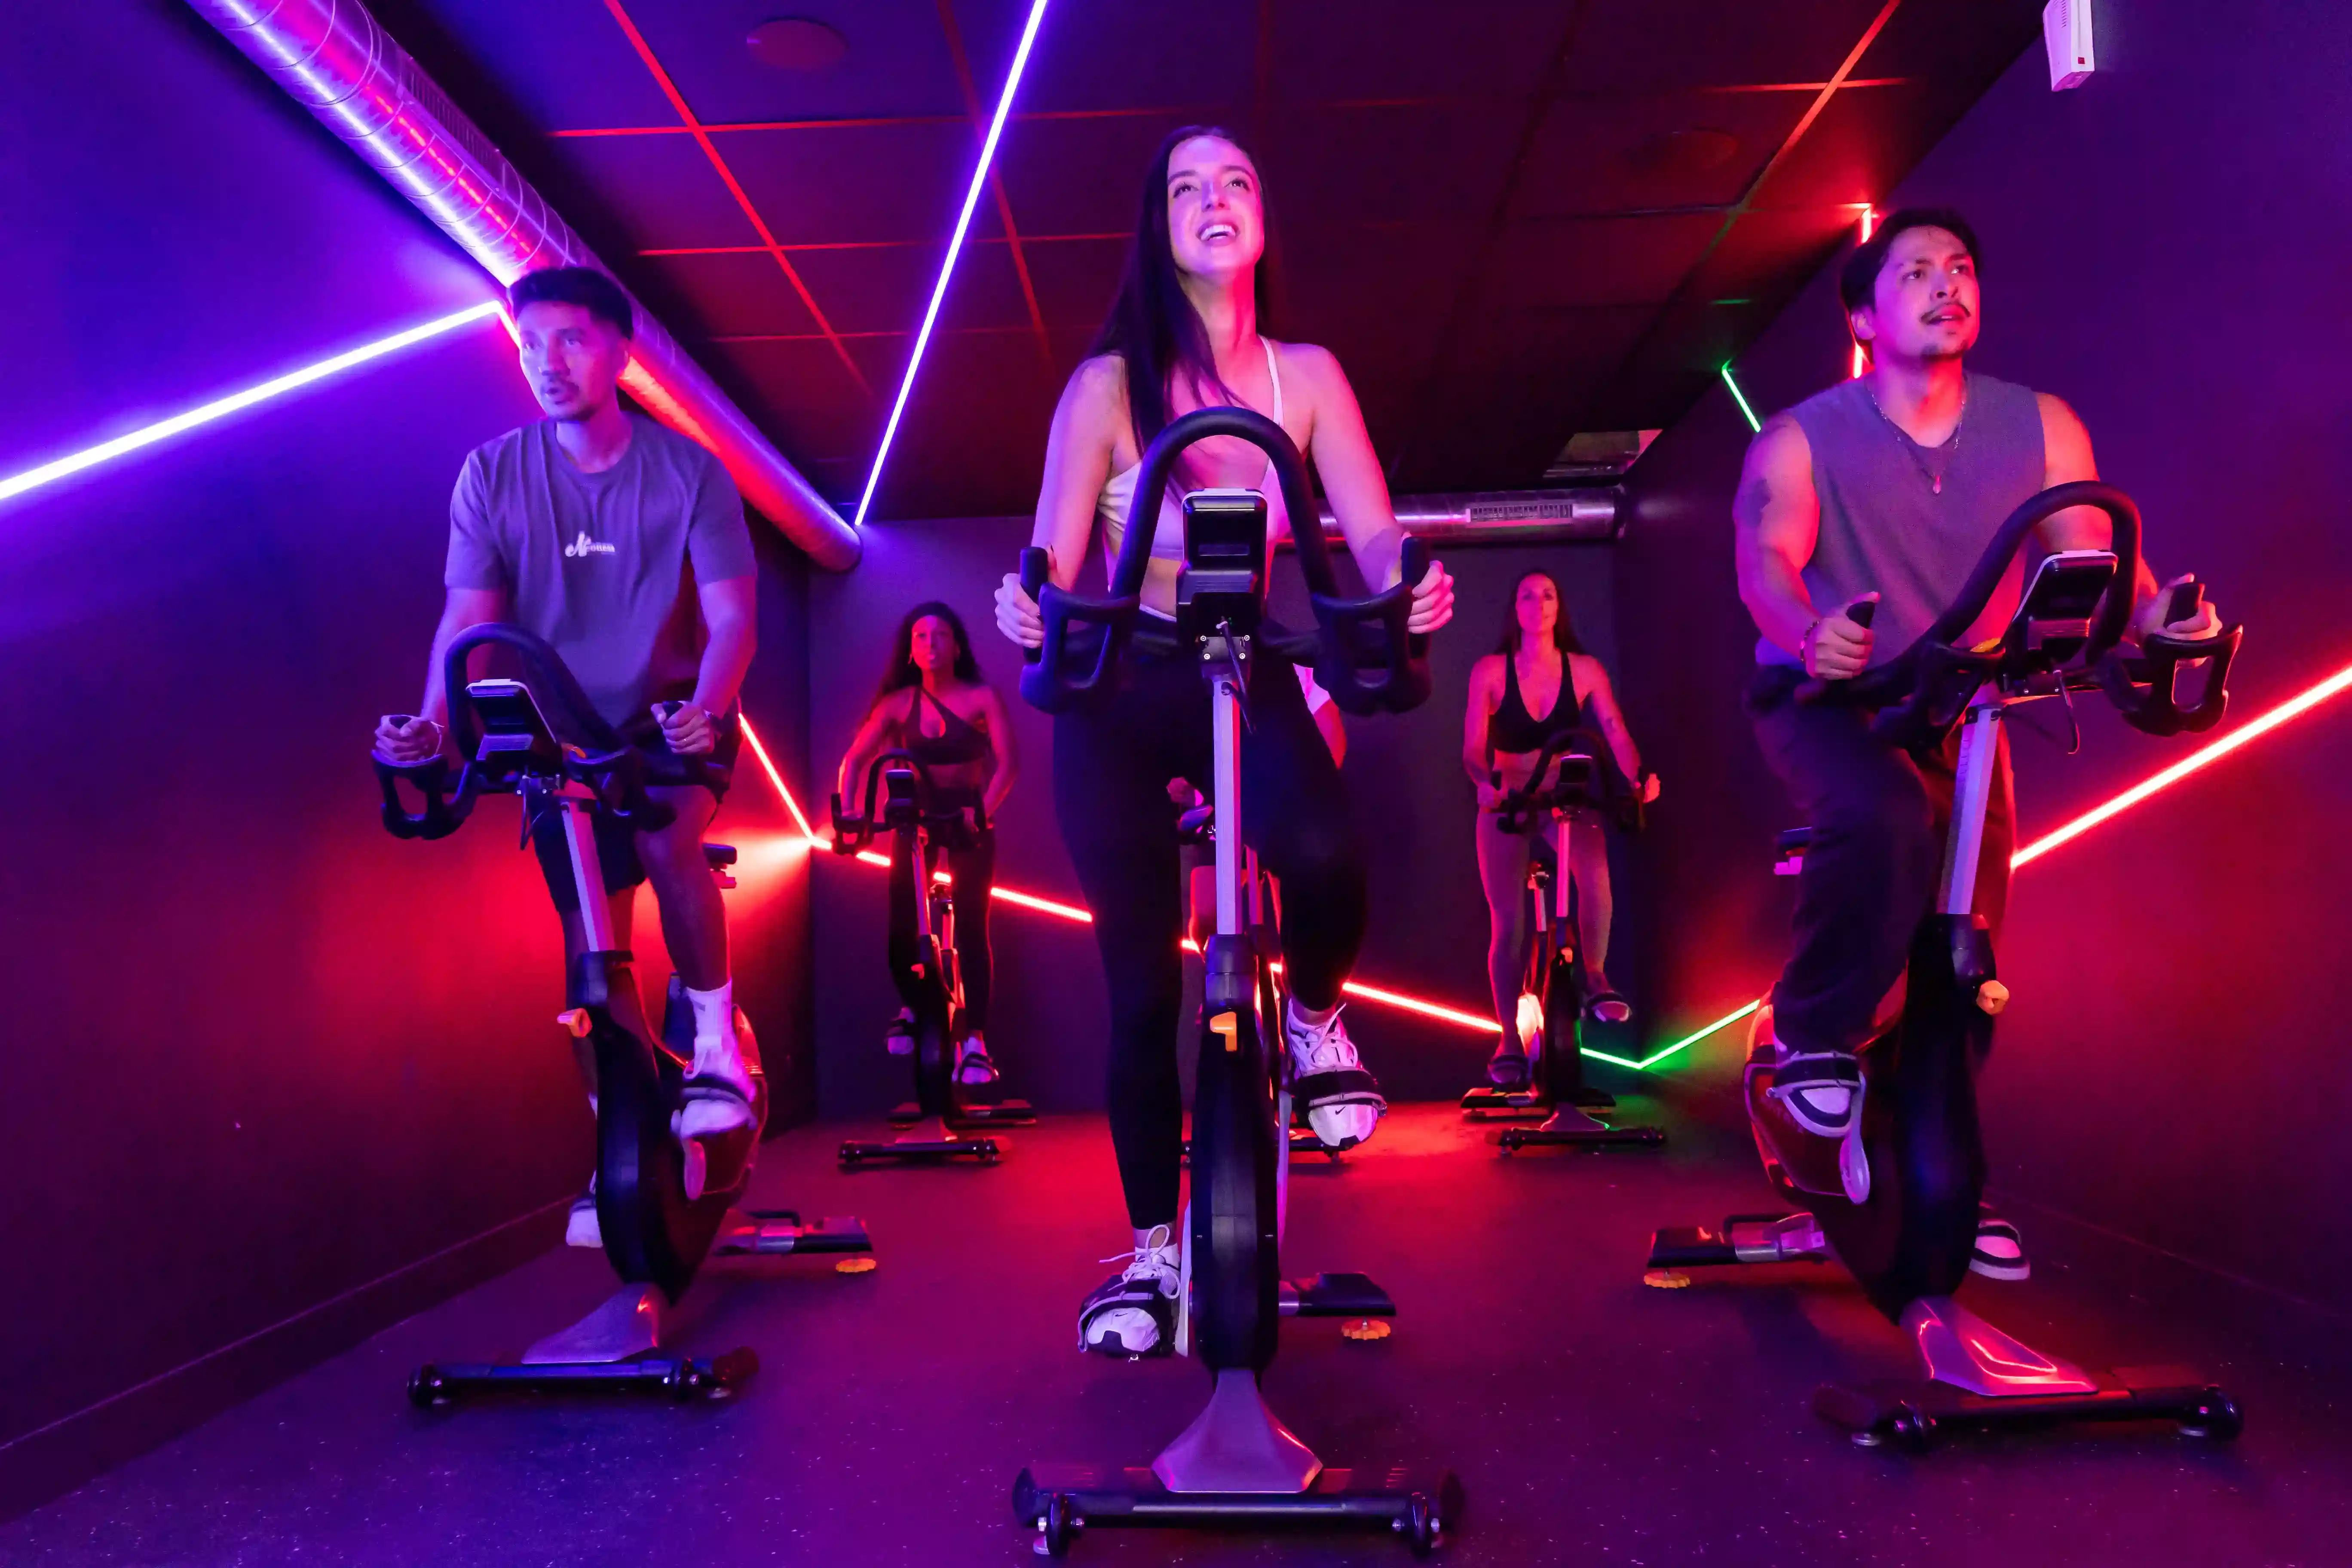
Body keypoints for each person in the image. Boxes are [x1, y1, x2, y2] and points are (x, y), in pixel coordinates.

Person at [993, 125, 1455, 1357]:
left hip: (1240, 665)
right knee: (1141, 988)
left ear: (1261, 222)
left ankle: (1309, 1020)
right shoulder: (1104, 387)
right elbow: (1053, 557)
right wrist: (1030, 600)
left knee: (1326, 858)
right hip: (1125, 685)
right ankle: (1151, 1252)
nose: (1215, 199)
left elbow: (1373, 534)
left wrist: (1409, 587)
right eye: (1187, 187)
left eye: (1237, 181)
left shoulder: (1306, 376)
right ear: (1160, 228)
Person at [1732, 208, 2223, 1270]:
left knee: (1961, 954)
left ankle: (1941, 1183)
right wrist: (1804, 631)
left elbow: (2095, 563)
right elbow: (1766, 560)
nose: (1944, 284)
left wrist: (2156, 623)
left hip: (1965, 707)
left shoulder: (2040, 425)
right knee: (1884, 819)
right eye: (1913, 272)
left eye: (1958, 269)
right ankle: (1803, 1040)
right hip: (1834, 701)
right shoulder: (1802, 436)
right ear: (1864, 314)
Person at [372, 266, 761, 1248]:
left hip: (671, 720)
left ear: (620, 353)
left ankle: (716, 1046)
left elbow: (732, 619)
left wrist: (707, 711)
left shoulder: (688, 473)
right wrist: (432, 723)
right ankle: (617, 1142)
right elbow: (465, 623)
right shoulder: (491, 475)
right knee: (589, 938)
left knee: (672, 845)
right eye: (531, 344)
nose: (548, 363)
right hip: (563, 732)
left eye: (572, 341)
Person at [1461, 570, 1658, 1088]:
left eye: (1549, 593)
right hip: (1511, 800)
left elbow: (1615, 730)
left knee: (1595, 879)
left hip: (1564, 796)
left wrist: (1637, 777)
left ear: (1559, 607)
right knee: (1509, 925)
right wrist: (1484, 782)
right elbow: (1472, 748)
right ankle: (1507, 1037)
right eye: (1527, 594)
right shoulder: (1491, 671)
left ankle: (1594, 976)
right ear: (1516, 608)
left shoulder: (1586, 670)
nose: (1539, 602)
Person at [835, 601, 1019, 1087]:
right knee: (903, 923)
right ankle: (914, 1008)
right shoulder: (897, 704)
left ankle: (975, 1039)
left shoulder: (981, 698)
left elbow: (1009, 766)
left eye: (940, 635)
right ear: (911, 651)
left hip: (967, 820)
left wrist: (981, 814)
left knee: (973, 928)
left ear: (957, 647)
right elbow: (855, 761)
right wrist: (850, 811)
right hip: (915, 820)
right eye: (920, 636)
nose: (930, 644)